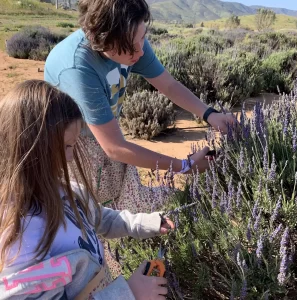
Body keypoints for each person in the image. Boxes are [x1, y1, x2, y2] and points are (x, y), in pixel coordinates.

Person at [44, 0, 233, 212]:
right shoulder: (77, 67)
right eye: (133, 46)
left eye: (143, 38)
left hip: (109, 134)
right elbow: (114, 147)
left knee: (130, 208)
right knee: (97, 216)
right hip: (75, 147)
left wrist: (209, 114)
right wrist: (184, 166)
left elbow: (168, 85)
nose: (141, 51)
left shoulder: (130, 40)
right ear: (103, 40)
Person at [0, 80, 174, 300]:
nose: (71, 157)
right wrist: (128, 294)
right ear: (32, 146)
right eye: (66, 146)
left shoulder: (68, 193)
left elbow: (102, 219)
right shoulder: (21, 235)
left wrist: (145, 223)